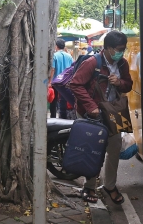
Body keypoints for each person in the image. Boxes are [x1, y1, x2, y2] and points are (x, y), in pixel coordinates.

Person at [69, 31, 133, 205]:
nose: (121, 52)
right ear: (108, 48)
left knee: (114, 150)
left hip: (113, 113)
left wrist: (119, 83)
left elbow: (129, 85)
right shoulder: (93, 63)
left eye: (123, 49)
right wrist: (91, 107)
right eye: (119, 49)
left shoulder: (122, 64)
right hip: (93, 113)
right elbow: (75, 84)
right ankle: (89, 186)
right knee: (92, 149)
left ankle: (109, 186)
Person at [48, 38, 74, 119]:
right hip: (66, 82)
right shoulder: (69, 56)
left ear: (56, 46)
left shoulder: (55, 55)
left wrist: (50, 81)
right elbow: (72, 68)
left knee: (54, 100)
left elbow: (53, 69)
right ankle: (63, 117)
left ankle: (53, 117)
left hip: (56, 82)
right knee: (64, 99)